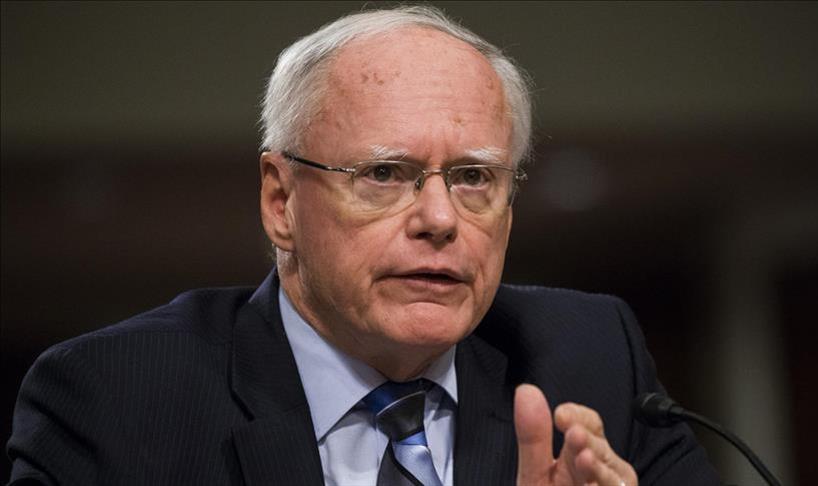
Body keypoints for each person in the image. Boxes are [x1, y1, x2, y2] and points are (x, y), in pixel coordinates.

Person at [7, 6, 720, 486]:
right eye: (384, 174)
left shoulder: (590, 361)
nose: (439, 218)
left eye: (474, 177)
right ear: (280, 202)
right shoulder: (115, 399)